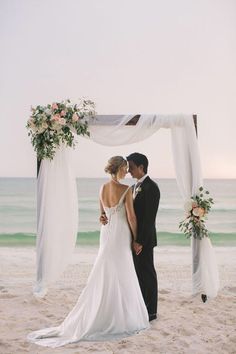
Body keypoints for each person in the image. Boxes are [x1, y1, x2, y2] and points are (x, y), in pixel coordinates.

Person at [27, 156, 149, 348]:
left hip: (106, 234)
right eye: (125, 168)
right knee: (122, 270)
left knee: (106, 268)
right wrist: (136, 239)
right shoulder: (126, 189)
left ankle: (105, 310)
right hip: (120, 234)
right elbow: (132, 217)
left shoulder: (101, 188)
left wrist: (103, 217)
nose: (126, 171)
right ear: (118, 168)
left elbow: (101, 215)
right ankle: (119, 315)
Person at [126, 153, 160, 322]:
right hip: (134, 239)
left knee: (148, 274)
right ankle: (142, 307)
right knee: (138, 274)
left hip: (144, 240)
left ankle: (152, 311)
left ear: (141, 167)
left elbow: (148, 218)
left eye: (131, 167)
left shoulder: (151, 187)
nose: (128, 171)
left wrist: (139, 241)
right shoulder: (133, 188)